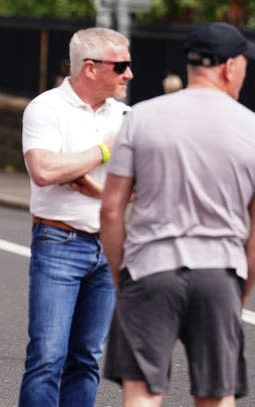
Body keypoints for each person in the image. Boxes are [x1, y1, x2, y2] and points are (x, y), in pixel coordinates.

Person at [100, 22, 255, 406]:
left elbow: (111, 208)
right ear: (230, 67)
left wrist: (124, 276)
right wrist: (241, 288)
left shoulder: (140, 117)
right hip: (220, 271)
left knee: (142, 394)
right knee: (216, 396)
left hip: (150, 266)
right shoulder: (251, 127)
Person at [17, 27, 132, 407]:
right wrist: (105, 151)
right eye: (121, 66)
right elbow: (45, 171)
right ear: (91, 67)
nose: (129, 75)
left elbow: (145, 187)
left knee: (87, 359)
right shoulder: (46, 108)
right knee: (48, 356)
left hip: (110, 246)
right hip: (59, 242)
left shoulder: (128, 116)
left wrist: (95, 188)